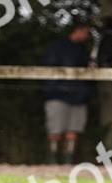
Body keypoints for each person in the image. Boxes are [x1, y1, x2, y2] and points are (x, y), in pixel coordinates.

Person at [40, 20, 93, 164]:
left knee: (73, 130)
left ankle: (68, 162)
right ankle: (53, 161)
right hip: (58, 95)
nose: (88, 36)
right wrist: (55, 88)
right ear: (78, 30)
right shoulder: (57, 47)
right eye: (86, 32)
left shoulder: (84, 50)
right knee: (55, 130)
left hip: (79, 96)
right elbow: (48, 69)